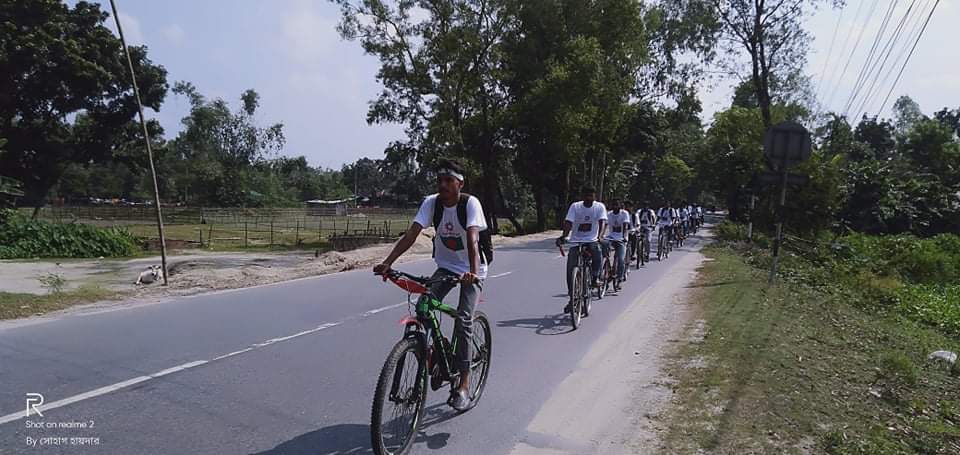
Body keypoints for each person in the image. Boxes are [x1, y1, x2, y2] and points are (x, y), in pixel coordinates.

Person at [373, 158, 486, 412]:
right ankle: (434, 355)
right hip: (445, 267)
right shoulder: (431, 203)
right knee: (424, 305)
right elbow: (412, 234)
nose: (443, 185)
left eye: (449, 180)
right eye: (440, 180)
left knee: (464, 319)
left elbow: (473, 239)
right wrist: (387, 263)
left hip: (471, 268)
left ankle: (464, 384)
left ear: (460, 183)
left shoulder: (470, 204)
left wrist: (473, 273)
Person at [556, 187, 606, 311]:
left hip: (592, 239)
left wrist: (600, 236)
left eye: (591, 196)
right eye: (586, 195)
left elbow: (602, 222)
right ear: (582, 196)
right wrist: (564, 236)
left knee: (597, 252)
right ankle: (572, 298)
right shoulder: (575, 206)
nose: (589, 198)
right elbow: (568, 222)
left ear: (595, 197)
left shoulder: (599, 207)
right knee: (570, 269)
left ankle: (595, 277)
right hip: (575, 241)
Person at [602, 199, 630, 288]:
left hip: (621, 238)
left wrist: (625, 236)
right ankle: (607, 270)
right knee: (603, 250)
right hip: (610, 237)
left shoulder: (624, 213)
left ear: (620, 206)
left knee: (621, 259)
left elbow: (625, 226)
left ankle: (620, 278)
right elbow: (604, 225)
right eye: (613, 205)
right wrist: (601, 236)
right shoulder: (609, 214)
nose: (615, 207)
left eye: (616, 205)